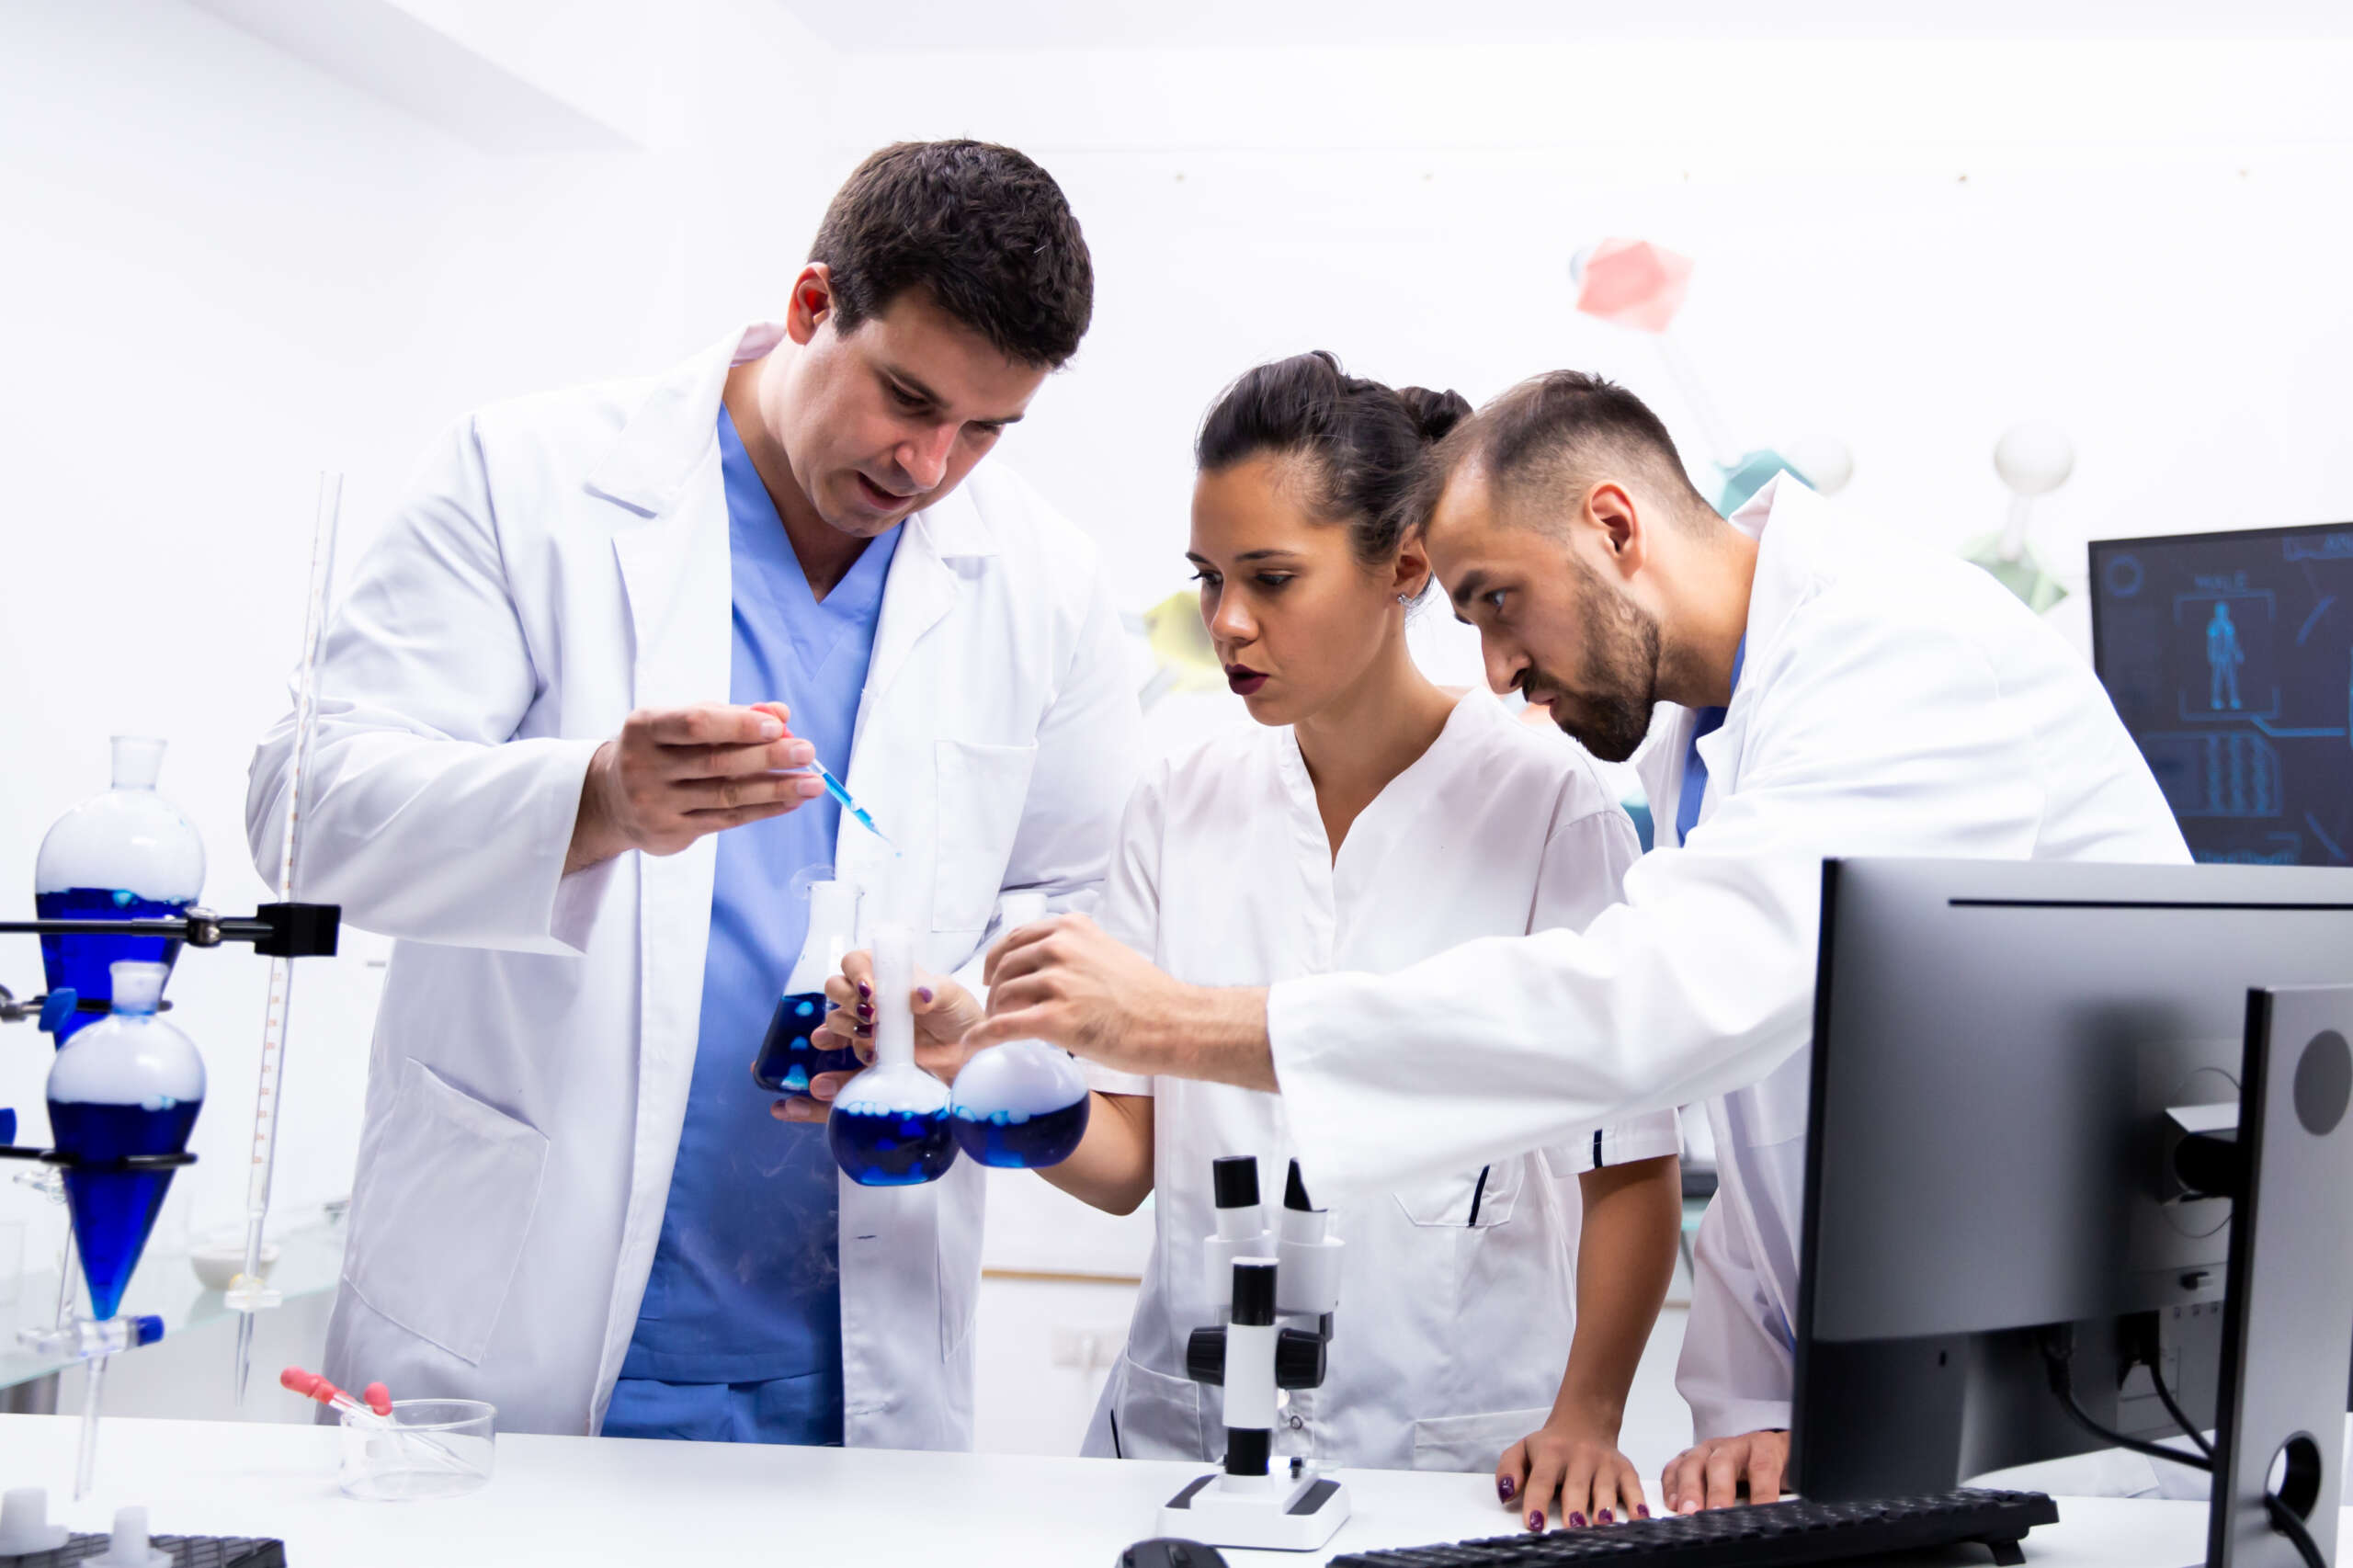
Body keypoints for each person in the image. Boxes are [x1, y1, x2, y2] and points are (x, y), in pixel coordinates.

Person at [961, 370, 2189, 1517]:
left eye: (1499, 601)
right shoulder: (1709, 734)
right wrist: (1758, 1398)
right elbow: (1767, 1098)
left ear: (1614, 527)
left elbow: (1647, 1021)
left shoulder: (1900, 655)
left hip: (2094, 1404)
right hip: (1900, 1408)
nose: (1496, 668)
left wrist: (1172, 1020)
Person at [245, 141, 1142, 1446]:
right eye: (905, 396)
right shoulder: (528, 478)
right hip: (513, 1320)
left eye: (985, 430)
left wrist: (961, 1007)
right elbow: (301, 806)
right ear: (807, 305)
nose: (930, 466)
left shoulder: (1043, 583)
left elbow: (1065, 909)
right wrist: (592, 801)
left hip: (850, 1347)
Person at [803, 353, 1681, 1527]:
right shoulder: (1176, 798)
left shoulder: (1547, 806)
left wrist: (1589, 1412)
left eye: (1270, 577)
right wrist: (974, 1070)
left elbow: (1629, 1164)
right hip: (1179, 1450)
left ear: (1404, 566)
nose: (1227, 621)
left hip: (1443, 1449)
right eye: (1209, 578)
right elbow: (1125, 1163)